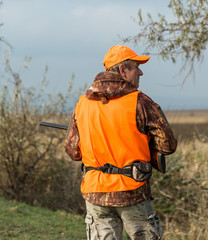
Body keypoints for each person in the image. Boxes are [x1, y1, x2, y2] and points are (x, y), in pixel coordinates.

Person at [65, 45, 177, 240]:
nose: (141, 71)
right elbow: (168, 145)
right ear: (123, 70)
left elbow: (73, 151)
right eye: (136, 66)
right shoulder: (140, 102)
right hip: (132, 192)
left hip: (95, 194)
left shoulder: (82, 104)